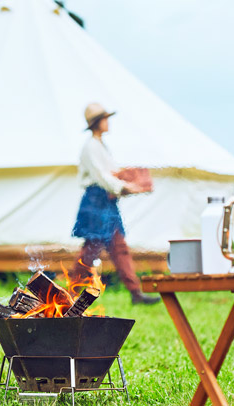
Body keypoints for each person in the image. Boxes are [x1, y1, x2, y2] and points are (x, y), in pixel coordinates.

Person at [70, 103, 160, 305]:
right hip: (96, 201)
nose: (108, 122)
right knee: (90, 250)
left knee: (119, 248)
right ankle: (69, 294)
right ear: (97, 123)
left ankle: (136, 293)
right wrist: (128, 188)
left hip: (107, 202)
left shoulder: (101, 146)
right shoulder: (90, 147)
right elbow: (103, 178)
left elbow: (111, 175)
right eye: (105, 119)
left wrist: (128, 182)